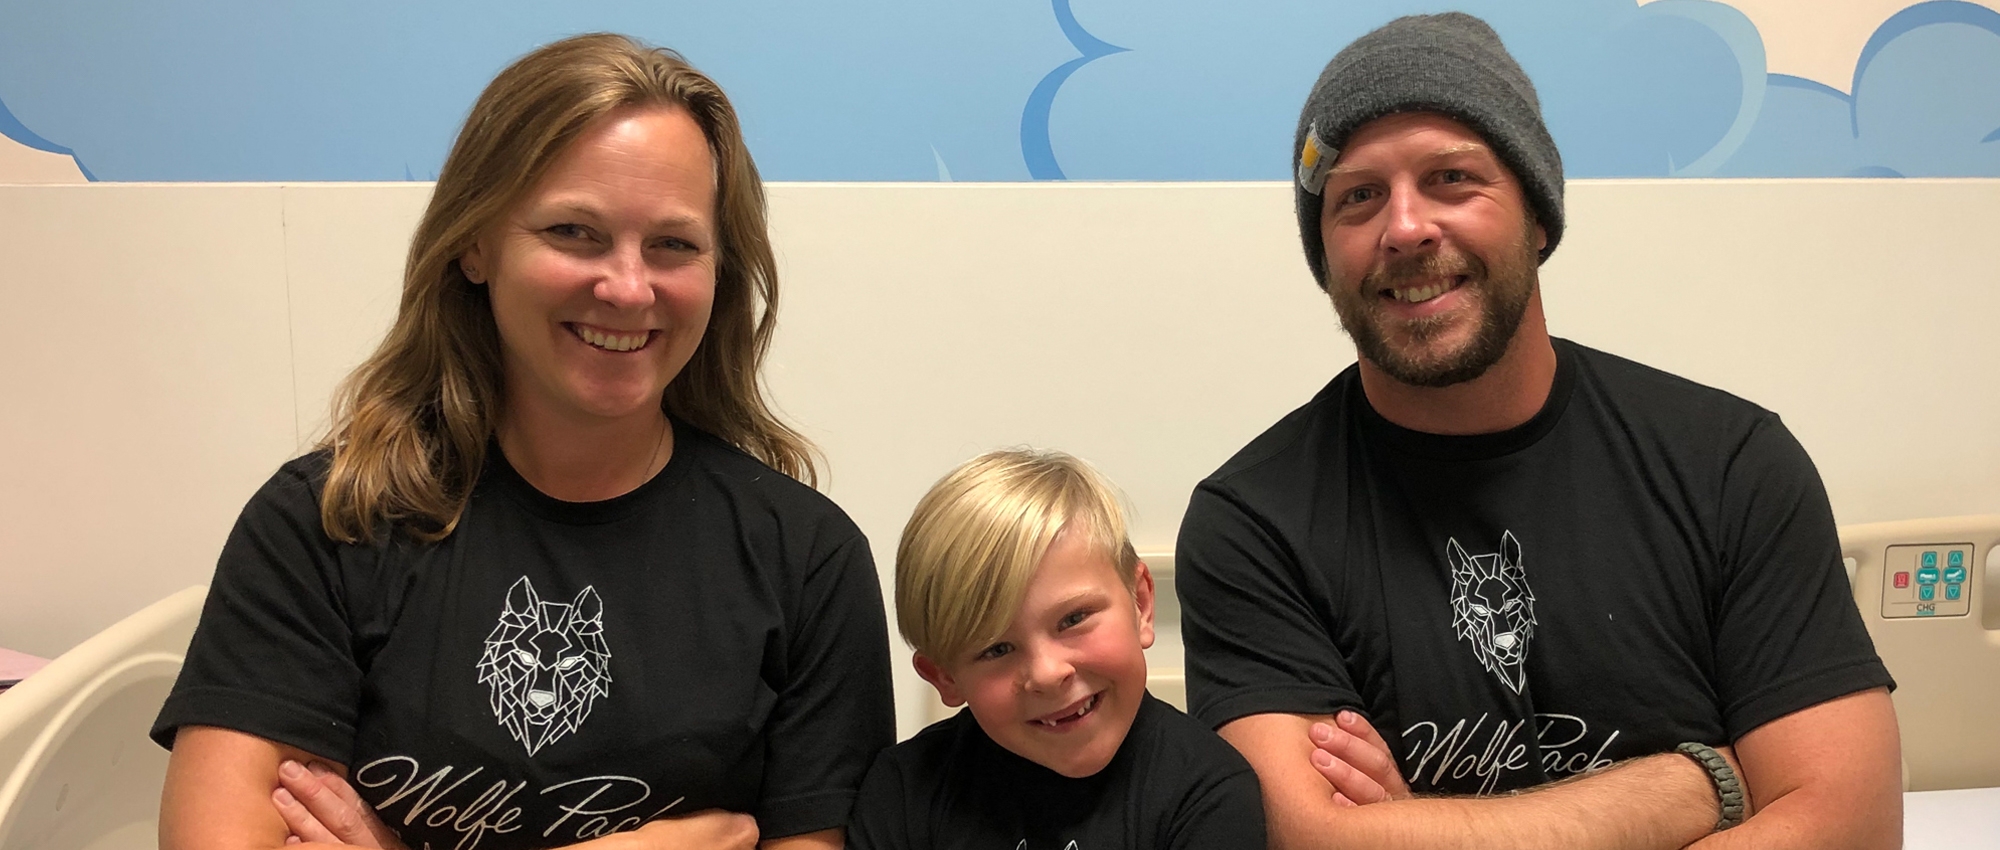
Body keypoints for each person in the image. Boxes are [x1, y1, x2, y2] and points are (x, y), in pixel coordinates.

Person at [1174, 12, 1901, 849]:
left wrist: (1420, 830)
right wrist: (1688, 786)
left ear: (1539, 217)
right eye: (1358, 196)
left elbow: (1852, 824)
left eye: (1451, 177)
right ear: (1328, 256)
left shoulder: (1729, 468)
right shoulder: (1255, 522)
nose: (1404, 228)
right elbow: (1311, 839)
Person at [149, 33, 894, 850]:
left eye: (674, 244)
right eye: (574, 231)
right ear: (475, 242)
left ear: (721, 273)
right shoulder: (326, 525)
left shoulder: (807, 563)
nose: (627, 286)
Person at [847, 450, 1265, 849]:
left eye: (1073, 619)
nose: (1047, 673)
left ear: (1140, 603)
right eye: (997, 649)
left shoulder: (1209, 792)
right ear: (945, 677)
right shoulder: (902, 792)